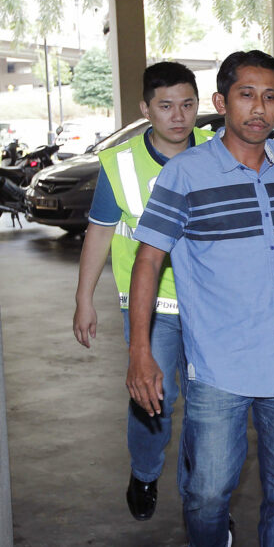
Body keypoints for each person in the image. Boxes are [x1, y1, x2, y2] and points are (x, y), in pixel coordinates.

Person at [128, 50, 274, 547]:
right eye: (246, 95)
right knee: (208, 496)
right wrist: (140, 352)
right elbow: (147, 260)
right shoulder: (186, 175)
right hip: (219, 369)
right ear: (222, 102)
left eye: (271, 97)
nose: (259, 108)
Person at [72, 62, 214, 521]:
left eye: (188, 105)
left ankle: (204, 501)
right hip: (151, 306)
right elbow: (98, 232)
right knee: (153, 397)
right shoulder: (121, 163)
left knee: (209, 406)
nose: (179, 116)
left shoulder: (219, 152)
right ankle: (146, 471)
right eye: (166, 106)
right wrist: (83, 300)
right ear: (145, 109)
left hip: (210, 304)